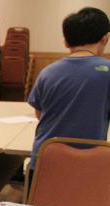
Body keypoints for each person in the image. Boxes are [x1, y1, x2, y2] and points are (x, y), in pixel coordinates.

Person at [28, 7, 110, 185]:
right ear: (105, 39)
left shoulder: (47, 72)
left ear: (65, 42)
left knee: (41, 203)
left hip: (45, 162)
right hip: (89, 165)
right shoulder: (107, 71)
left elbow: (39, 114)